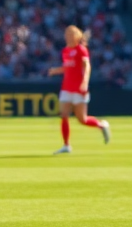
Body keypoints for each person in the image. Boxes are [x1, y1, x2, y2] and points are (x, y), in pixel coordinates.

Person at [46, 24, 111, 154]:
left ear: (76, 36)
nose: (67, 37)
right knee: (64, 115)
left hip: (79, 88)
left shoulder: (81, 50)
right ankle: (66, 145)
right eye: (66, 34)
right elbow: (67, 67)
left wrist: (85, 82)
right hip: (66, 87)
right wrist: (55, 70)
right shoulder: (65, 51)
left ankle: (102, 125)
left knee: (82, 119)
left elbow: (87, 66)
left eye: (70, 34)